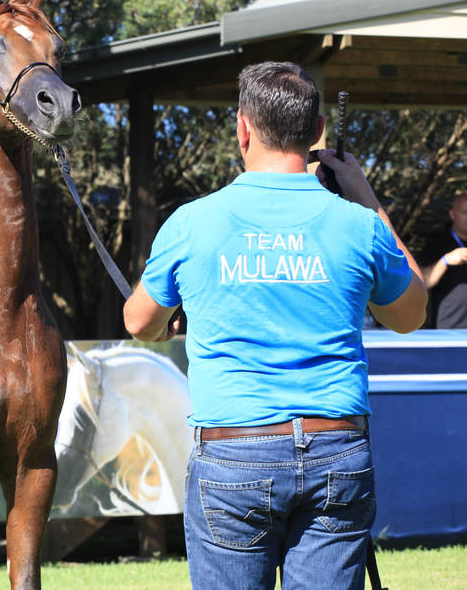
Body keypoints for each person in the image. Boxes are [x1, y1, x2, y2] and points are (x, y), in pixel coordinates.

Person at [121, 61, 427, 590]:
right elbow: (411, 314)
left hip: (233, 451)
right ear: (317, 132)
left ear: (243, 128)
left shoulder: (192, 222)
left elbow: (139, 322)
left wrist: (169, 322)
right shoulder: (358, 225)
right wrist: (367, 197)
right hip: (336, 449)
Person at [419, 193, 467, 328]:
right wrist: (445, 261)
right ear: (452, 214)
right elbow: (421, 282)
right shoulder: (437, 243)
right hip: (450, 329)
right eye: (465, 213)